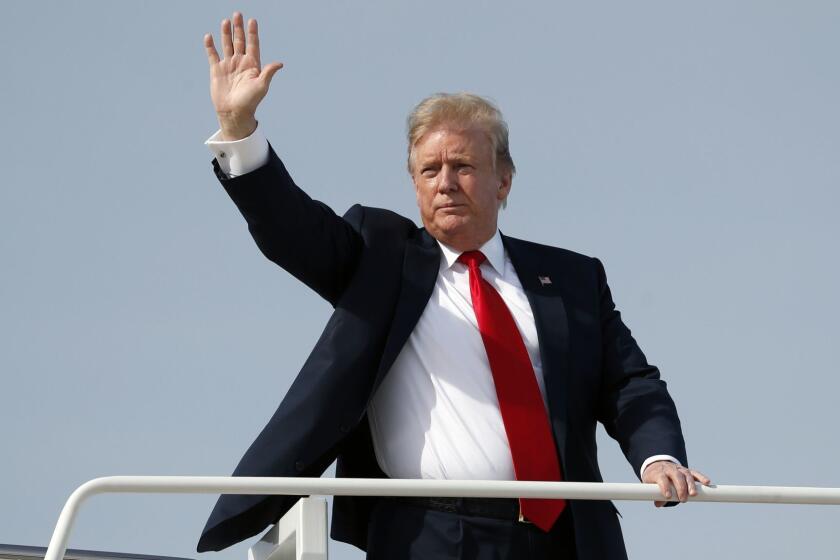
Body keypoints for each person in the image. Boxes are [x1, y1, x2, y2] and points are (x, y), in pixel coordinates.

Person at [196, 12, 711, 560]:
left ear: (504, 179)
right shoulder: (380, 256)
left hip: (568, 536)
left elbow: (630, 383)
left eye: (462, 166)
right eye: (428, 169)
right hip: (431, 536)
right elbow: (290, 228)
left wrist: (658, 458)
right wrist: (239, 130)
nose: (444, 183)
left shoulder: (574, 279)